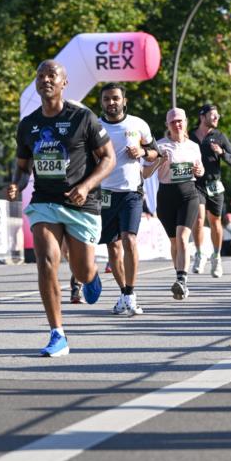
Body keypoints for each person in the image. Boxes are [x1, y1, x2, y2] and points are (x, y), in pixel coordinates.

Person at [6, 60, 115, 357]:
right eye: (40, 75)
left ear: (64, 82)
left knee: (80, 268)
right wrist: (16, 184)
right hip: (45, 202)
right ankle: (58, 334)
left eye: (51, 75)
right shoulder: (28, 125)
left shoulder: (83, 118)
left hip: (81, 202)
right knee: (47, 261)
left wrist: (86, 186)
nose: (45, 80)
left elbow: (108, 159)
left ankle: (90, 276)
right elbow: (22, 168)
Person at [98, 82, 158, 317]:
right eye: (106, 99)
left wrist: (143, 152)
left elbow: (155, 152)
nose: (111, 103)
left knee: (129, 239)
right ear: (102, 102)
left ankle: (131, 294)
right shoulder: (95, 126)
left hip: (132, 192)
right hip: (104, 193)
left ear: (124, 101)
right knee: (113, 247)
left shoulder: (138, 124)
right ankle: (123, 293)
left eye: (115, 98)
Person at [148, 108, 204, 300]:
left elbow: (200, 171)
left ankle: (182, 280)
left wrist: (199, 169)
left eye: (180, 121)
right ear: (168, 125)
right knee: (174, 242)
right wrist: (159, 162)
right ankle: (179, 277)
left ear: (186, 122)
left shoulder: (193, 146)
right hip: (166, 196)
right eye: (173, 122)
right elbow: (146, 173)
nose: (177, 125)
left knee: (182, 237)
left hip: (189, 195)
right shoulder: (160, 146)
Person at [190, 103, 231, 278]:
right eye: (213, 115)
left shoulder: (219, 136)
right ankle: (200, 254)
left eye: (218, 115)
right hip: (196, 184)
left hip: (214, 184)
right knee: (199, 218)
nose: (217, 118)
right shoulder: (191, 135)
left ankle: (216, 257)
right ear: (203, 116)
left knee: (215, 221)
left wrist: (221, 152)